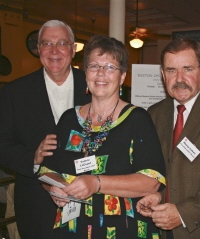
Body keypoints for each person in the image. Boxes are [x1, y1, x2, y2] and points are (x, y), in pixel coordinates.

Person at [39, 35, 166, 238]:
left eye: (110, 67)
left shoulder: (138, 119)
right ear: (86, 72)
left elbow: (151, 181)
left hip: (123, 227)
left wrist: (96, 183)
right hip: (74, 226)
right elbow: (46, 170)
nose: (101, 73)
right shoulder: (68, 119)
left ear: (122, 76)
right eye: (94, 66)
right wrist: (57, 188)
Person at [136, 38, 200, 239]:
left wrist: (181, 213)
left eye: (187, 69)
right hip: (156, 228)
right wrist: (158, 195)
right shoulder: (154, 114)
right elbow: (159, 169)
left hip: (199, 230)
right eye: (171, 70)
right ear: (162, 74)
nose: (179, 78)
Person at [0, 20, 90, 238]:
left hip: (88, 198)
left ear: (73, 48)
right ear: (38, 49)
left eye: (61, 43)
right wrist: (33, 156)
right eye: (47, 43)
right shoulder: (14, 92)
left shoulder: (93, 86)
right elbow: (2, 145)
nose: (54, 50)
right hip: (36, 205)